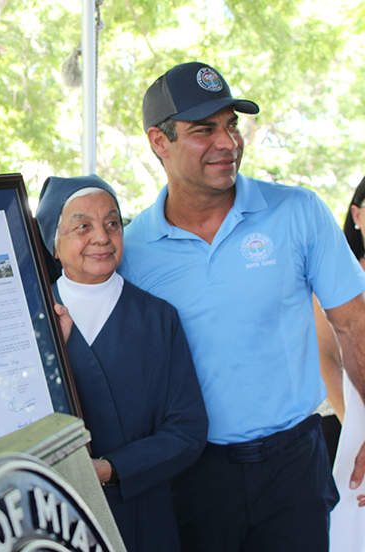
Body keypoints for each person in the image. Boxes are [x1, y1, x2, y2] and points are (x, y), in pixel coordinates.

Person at [119, 61, 365, 551]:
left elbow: (354, 325)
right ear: (158, 141)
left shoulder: (298, 212)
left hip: (295, 467)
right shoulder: (132, 250)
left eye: (231, 124)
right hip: (191, 476)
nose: (228, 142)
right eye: (204, 129)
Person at [35, 174, 208, 552]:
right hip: (53, 519)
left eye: (112, 223)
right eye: (83, 226)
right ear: (54, 244)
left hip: (143, 513)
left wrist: (114, 468)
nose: (102, 236)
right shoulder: (29, 318)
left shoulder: (159, 318)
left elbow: (188, 430)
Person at [327, 176, 365, 551]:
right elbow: (325, 355)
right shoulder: (339, 275)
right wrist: (349, 422)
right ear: (356, 214)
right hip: (354, 424)